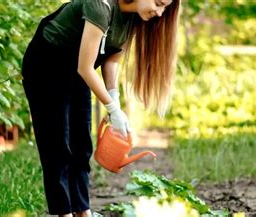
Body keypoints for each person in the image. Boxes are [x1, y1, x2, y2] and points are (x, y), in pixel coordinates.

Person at [21, 0, 180, 216]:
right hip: (47, 65)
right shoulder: (101, 5)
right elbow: (86, 68)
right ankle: (63, 212)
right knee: (57, 147)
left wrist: (114, 100)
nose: (160, 13)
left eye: (164, 8)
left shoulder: (133, 18)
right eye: (158, 3)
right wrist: (112, 108)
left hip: (76, 70)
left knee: (82, 145)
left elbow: (111, 61)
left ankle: (82, 210)